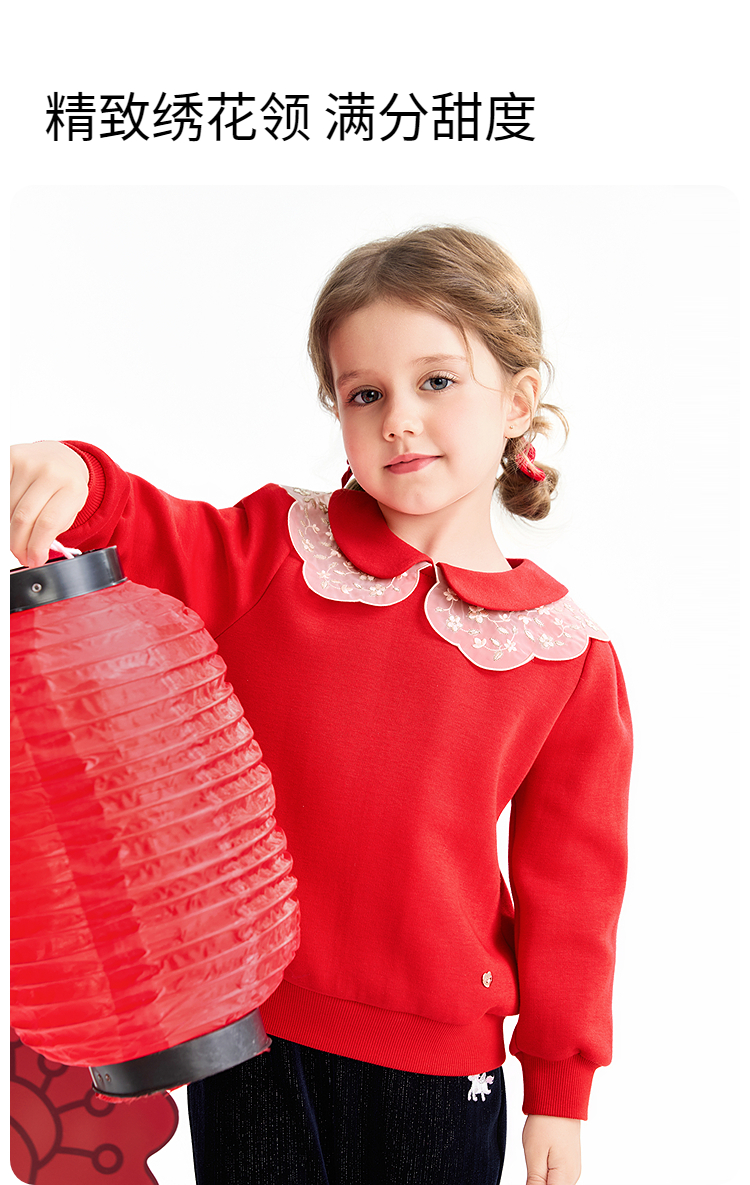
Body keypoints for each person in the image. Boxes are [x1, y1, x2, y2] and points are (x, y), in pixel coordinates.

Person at [9, 225, 632, 1185]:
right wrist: (81, 476)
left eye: (436, 381)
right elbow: (151, 527)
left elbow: (573, 898)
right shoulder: (277, 549)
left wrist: (559, 1087)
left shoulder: (567, 655)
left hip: (441, 1066)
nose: (399, 420)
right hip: (251, 1037)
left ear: (518, 400)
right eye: (364, 394)